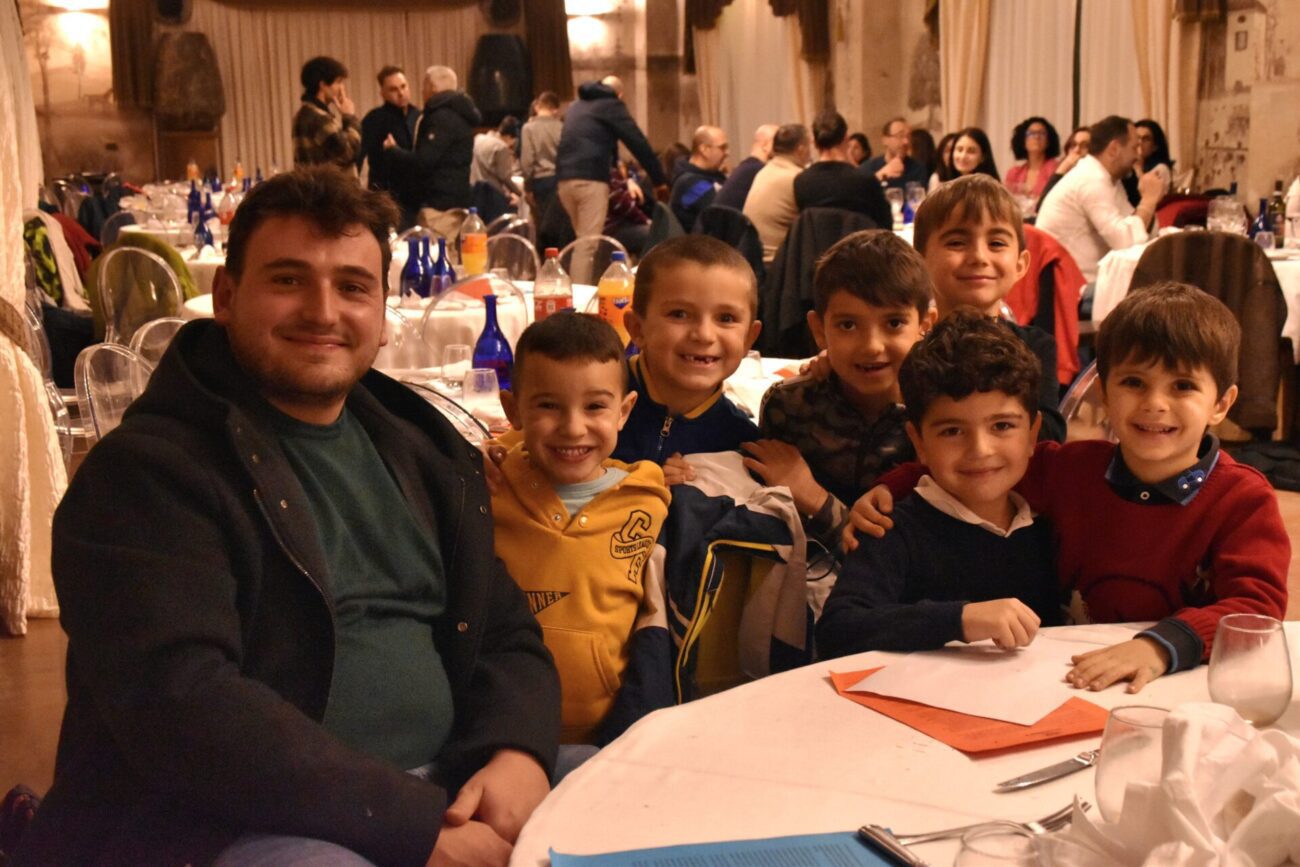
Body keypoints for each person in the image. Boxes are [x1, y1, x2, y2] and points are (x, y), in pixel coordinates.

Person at [14, 166, 560, 867]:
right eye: (288, 279)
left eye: (352, 287)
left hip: (448, 783)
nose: (322, 311)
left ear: (382, 312)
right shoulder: (145, 475)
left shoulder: (421, 450)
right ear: (226, 296)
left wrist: (517, 751)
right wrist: (413, 828)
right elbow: (183, 704)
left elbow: (504, 629)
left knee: (641, 806)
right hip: (226, 825)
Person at [851, 283, 1290, 692]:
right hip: (1067, 676)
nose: (1155, 403)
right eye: (1133, 382)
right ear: (1104, 393)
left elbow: (1256, 608)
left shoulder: (1242, 499)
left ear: (1221, 403)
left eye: (1183, 386)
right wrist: (892, 487)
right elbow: (989, 463)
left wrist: (1159, 646)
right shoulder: (1070, 469)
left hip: (1182, 682)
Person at [817, 310, 1059, 657]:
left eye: (1002, 426)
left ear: (1033, 434)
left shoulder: (1048, 526)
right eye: (952, 431)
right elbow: (838, 630)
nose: (980, 449)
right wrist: (960, 619)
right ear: (918, 442)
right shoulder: (892, 530)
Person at [493, 312, 671, 752]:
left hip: (608, 741)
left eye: (595, 407)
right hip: (500, 733)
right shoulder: (488, 489)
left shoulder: (648, 500)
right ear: (513, 410)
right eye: (548, 405)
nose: (573, 428)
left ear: (624, 411)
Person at [748, 230, 934, 553]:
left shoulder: (934, 419)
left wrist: (814, 497)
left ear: (925, 326)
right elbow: (765, 524)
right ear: (819, 330)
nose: (872, 346)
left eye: (893, 323)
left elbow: (914, 555)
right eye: (848, 325)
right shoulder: (790, 406)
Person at [912, 174, 1066, 441]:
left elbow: (1049, 433)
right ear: (920, 261)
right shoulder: (911, 347)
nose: (979, 257)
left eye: (996, 243)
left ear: (1020, 265)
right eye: (956, 243)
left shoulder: (1035, 346)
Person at [614, 235, 763, 478]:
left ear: (749, 338)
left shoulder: (741, 445)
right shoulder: (590, 400)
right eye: (679, 314)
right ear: (638, 329)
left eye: (726, 318)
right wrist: (636, 484)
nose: (704, 335)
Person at [1035, 115, 1163, 282]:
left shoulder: (1106, 178)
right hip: (1072, 285)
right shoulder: (1090, 180)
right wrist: (1148, 200)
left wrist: (1148, 202)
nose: (1137, 156)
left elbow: (1134, 228)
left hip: (1087, 279)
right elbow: (1126, 243)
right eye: (1134, 147)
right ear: (1114, 149)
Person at [555, 75, 668, 238]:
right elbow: (637, 141)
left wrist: (626, 179)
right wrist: (659, 182)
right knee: (589, 243)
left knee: (582, 239)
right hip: (591, 179)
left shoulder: (575, 106)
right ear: (619, 95)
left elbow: (607, 147)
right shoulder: (612, 105)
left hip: (564, 180)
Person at [385, 65, 482, 239]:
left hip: (439, 207)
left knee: (437, 253)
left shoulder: (441, 118)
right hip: (458, 200)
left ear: (433, 87)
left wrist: (393, 151)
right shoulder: (461, 113)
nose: (422, 91)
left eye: (424, 85)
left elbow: (424, 161)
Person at [793, 109, 892, 229]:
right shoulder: (865, 180)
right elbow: (886, 226)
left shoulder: (801, 182)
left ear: (814, 142)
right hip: (857, 241)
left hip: (816, 242)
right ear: (846, 139)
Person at [743, 123, 811, 263]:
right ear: (801, 149)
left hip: (752, 258)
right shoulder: (796, 178)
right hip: (776, 263)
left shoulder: (764, 171)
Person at [358, 66, 419, 204]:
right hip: (385, 194)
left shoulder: (418, 116)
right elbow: (359, 154)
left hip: (416, 194)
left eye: (403, 86)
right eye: (393, 89)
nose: (401, 93)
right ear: (383, 93)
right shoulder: (374, 119)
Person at [292, 56, 361, 172]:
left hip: (312, 182)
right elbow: (348, 154)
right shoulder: (318, 117)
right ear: (323, 84)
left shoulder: (304, 113)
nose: (342, 88)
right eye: (338, 82)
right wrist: (349, 117)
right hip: (327, 183)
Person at [670, 125, 729, 231]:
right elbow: (724, 211)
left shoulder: (711, 175)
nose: (727, 153)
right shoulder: (689, 183)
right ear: (704, 149)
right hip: (698, 240)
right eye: (722, 148)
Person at [713, 124, 777, 211]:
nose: (782, 149)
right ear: (766, 145)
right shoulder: (760, 172)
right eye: (779, 144)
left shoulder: (746, 168)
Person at [521, 91, 563, 221]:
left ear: (537, 107)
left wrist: (528, 187)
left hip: (541, 181)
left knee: (542, 222)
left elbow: (527, 161)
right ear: (555, 110)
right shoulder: (562, 127)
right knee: (559, 223)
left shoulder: (529, 128)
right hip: (561, 180)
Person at [860, 116, 930, 190]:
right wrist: (880, 176)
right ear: (885, 140)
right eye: (900, 136)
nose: (906, 142)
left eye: (908, 137)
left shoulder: (917, 169)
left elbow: (919, 195)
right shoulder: (868, 168)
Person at [1003, 116, 1061, 202]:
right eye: (1031, 133)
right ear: (1023, 140)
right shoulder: (1014, 173)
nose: (1037, 137)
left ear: (1048, 141)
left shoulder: (1056, 169)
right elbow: (1006, 201)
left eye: (1042, 133)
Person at [1033, 125, 1090, 211]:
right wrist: (1063, 168)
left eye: (1084, 146)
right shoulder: (1068, 176)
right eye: (1073, 145)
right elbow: (1041, 207)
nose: (1077, 150)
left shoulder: (1094, 179)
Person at [472, 116, 523, 202]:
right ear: (510, 136)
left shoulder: (478, 138)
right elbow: (505, 176)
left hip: (473, 189)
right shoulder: (501, 147)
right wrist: (520, 193)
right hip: (491, 195)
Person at [1134, 119, 1174, 198]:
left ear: (1155, 147)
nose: (1139, 142)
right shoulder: (1125, 164)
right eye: (1137, 137)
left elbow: (1149, 197)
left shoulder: (1161, 169)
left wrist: (1138, 168)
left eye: (1146, 139)